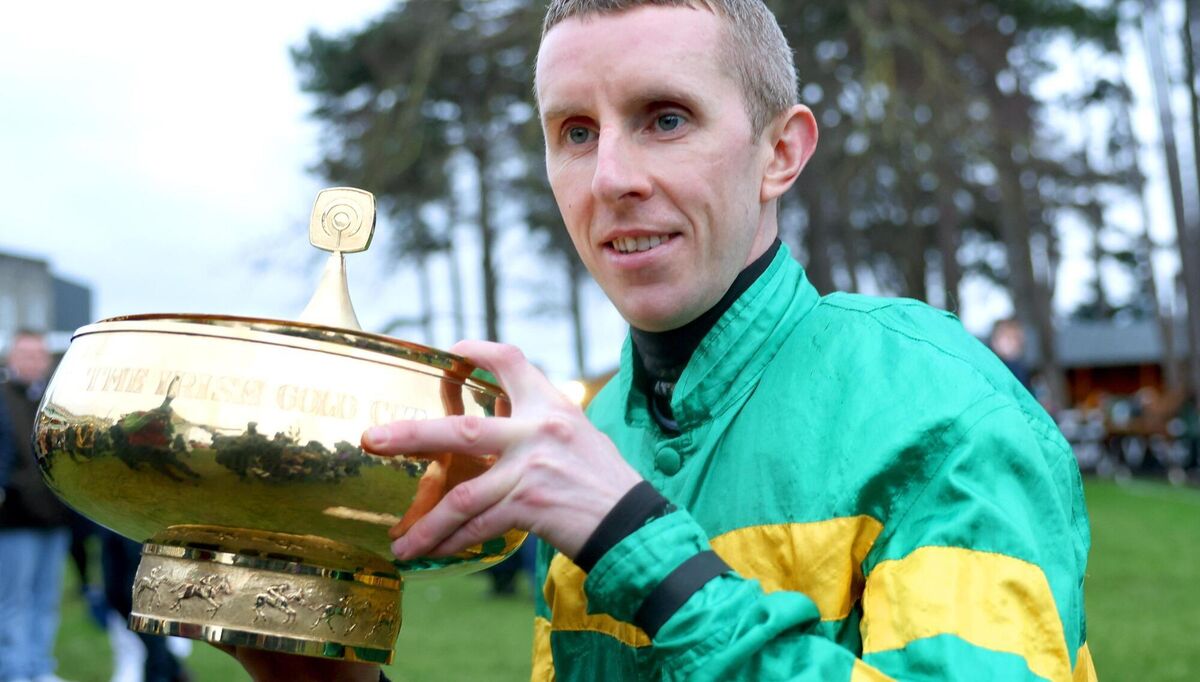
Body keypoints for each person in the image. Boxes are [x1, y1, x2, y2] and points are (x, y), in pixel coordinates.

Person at [230, 1, 1095, 679]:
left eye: (665, 118)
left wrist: (629, 539)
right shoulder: (597, 435)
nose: (611, 179)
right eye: (575, 131)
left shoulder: (938, 405)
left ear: (780, 152)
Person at [0, 330, 73, 682]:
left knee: (46, 599)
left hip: (55, 520)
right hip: (14, 520)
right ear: (11, 358)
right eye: (24, 354)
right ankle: (13, 671)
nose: (31, 361)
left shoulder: (57, 400)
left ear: (46, 360)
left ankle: (40, 667)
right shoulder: (1, 398)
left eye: (37, 355)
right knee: (13, 603)